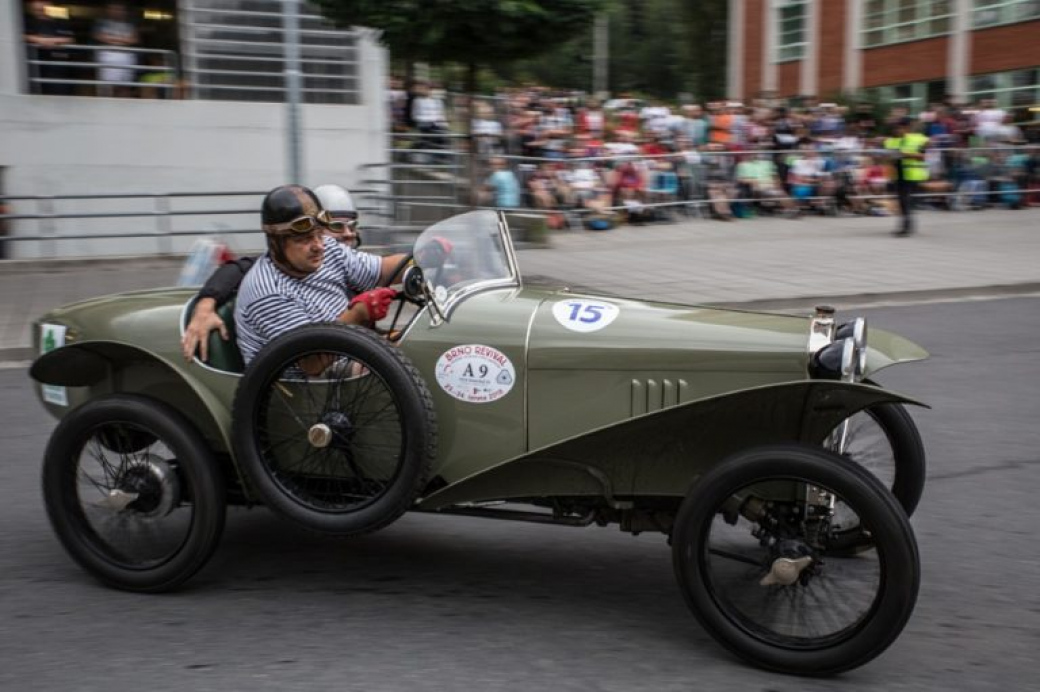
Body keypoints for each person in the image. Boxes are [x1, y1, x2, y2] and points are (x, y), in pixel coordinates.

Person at [181, 184, 371, 362]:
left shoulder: (338, 257)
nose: (348, 233)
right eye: (337, 226)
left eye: (352, 226)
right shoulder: (275, 276)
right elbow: (238, 268)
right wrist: (205, 304)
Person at [231, 185, 410, 371]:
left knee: (423, 345)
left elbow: (383, 270)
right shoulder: (267, 291)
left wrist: (424, 260)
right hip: (307, 390)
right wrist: (357, 313)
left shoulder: (327, 249)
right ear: (276, 242)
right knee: (409, 362)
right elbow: (312, 363)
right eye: (304, 239)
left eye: (318, 235)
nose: (318, 246)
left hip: (352, 355)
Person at [884, 117, 929, 236]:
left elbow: (922, 156)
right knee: (902, 201)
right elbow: (889, 157)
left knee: (905, 200)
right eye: (896, 128)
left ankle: (906, 228)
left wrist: (905, 154)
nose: (897, 130)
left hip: (910, 174)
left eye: (900, 127)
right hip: (897, 174)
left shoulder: (918, 139)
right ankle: (906, 226)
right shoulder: (893, 141)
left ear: (907, 127)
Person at [23, 0, 75, 96]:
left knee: (60, 92)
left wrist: (49, 41)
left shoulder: (60, 13)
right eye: (36, 10)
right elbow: (18, 34)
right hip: (35, 64)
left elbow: (70, 39)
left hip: (58, 64)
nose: (40, 9)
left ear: (49, 4)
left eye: (43, 3)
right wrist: (37, 39)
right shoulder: (27, 18)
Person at [93, 2, 139, 98]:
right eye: (114, 9)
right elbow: (99, 36)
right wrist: (123, 40)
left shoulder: (130, 24)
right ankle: (105, 107)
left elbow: (134, 39)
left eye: (120, 9)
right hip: (108, 56)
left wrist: (112, 39)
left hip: (126, 57)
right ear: (108, 10)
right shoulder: (101, 23)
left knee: (125, 85)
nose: (117, 11)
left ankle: (123, 108)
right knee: (107, 85)